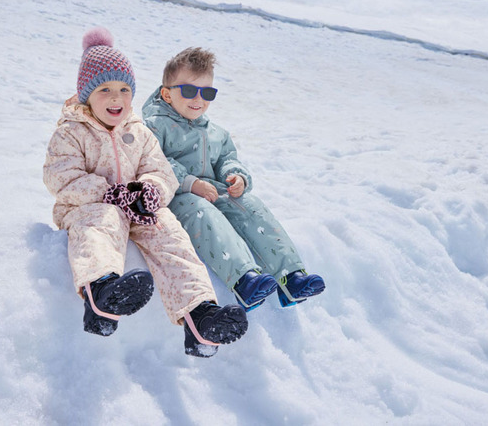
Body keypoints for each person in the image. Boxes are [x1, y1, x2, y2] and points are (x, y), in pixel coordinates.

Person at [43, 28, 248, 357]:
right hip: (88, 208)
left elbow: (160, 170)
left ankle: (201, 316)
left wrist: (148, 192)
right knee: (102, 220)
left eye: (124, 89)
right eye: (105, 89)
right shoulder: (71, 133)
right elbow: (60, 178)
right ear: (86, 94)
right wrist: (110, 193)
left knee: (169, 232)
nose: (116, 98)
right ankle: (103, 293)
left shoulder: (138, 131)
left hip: (136, 209)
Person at [142, 47, 325, 312]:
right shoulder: (153, 125)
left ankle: (291, 277)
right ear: (167, 93)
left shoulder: (215, 132)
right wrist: (191, 183)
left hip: (215, 192)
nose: (199, 99)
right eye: (190, 91)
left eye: (207, 92)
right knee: (204, 212)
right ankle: (244, 281)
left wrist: (234, 175)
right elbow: (153, 160)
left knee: (250, 207)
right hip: (179, 198)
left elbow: (227, 157)